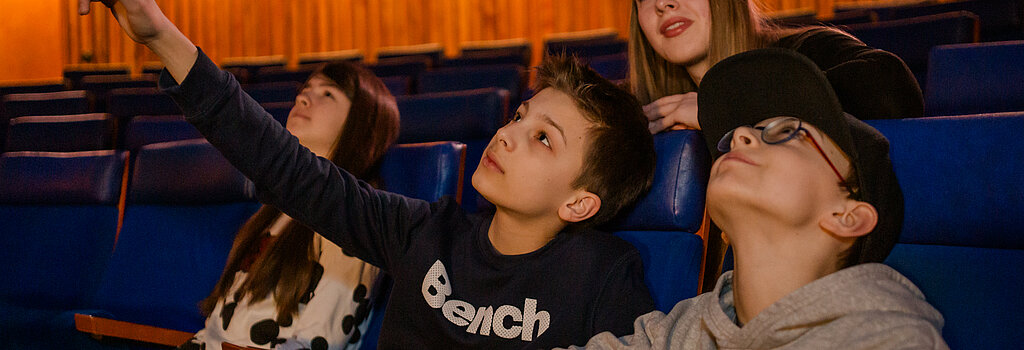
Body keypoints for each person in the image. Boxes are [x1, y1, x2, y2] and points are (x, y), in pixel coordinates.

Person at [79, 0, 658, 348]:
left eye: (541, 140)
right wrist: (160, 35)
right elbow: (281, 164)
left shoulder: (604, 277)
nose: (506, 133)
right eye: (519, 116)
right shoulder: (423, 232)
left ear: (580, 202)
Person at [565, 48, 947, 349]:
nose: (740, 135)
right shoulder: (679, 330)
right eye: (744, 131)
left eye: (789, 133)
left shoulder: (891, 341)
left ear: (846, 216)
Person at [179, 61, 400, 350]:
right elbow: (215, 331)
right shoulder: (273, 212)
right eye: (306, 89)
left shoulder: (355, 218)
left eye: (328, 94)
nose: (303, 97)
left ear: (360, 123)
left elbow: (319, 343)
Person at [630, 0, 924, 133]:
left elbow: (892, 90)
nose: (662, 4)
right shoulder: (648, 106)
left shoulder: (806, 51)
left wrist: (726, 107)